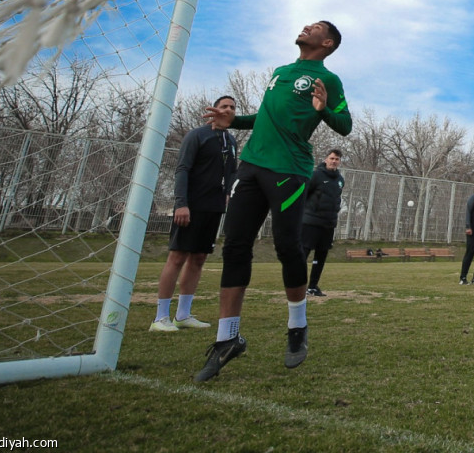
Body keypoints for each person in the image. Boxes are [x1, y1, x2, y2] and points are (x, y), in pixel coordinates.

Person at [193, 22, 352, 382]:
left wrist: (324, 108)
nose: (305, 27)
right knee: (234, 247)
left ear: (326, 43)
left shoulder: (329, 79)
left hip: (290, 171)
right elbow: (265, 118)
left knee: (288, 248)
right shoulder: (281, 72)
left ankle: (298, 327)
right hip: (250, 167)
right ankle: (226, 339)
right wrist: (233, 120)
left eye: (315, 28)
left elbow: (345, 125)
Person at [150, 95, 237, 332]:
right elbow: (183, 168)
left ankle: (183, 314)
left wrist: (228, 192)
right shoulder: (197, 135)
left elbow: (231, 172)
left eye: (232, 107)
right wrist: (181, 203)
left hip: (214, 207)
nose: (228, 109)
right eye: (224, 106)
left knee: (198, 259)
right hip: (191, 205)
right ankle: (160, 317)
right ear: (214, 111)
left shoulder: (231, 141)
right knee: (177, 257)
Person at [302, 148, 345, 297]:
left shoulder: (340, 180)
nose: (334, 161)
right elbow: (304, 195)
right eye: (332, 158)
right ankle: (298, 286)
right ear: (326, 159)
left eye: (337, 159)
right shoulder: (316, 175)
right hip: (311, 221)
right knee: (303, 253)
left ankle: (313, 286)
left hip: (328, 223)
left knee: (321, 255)